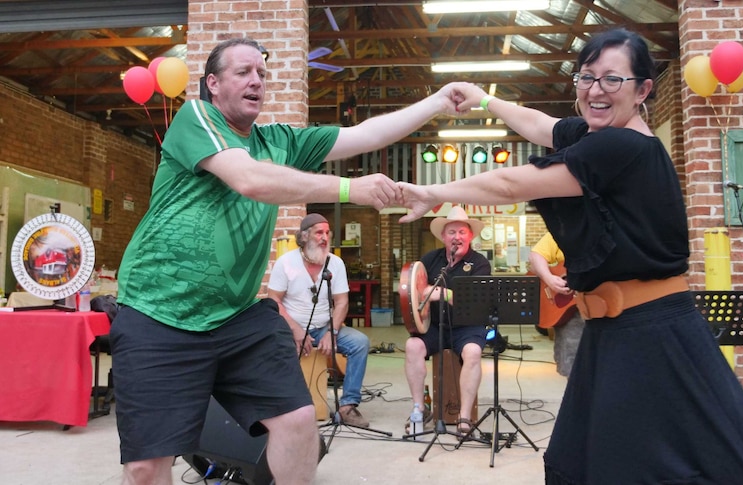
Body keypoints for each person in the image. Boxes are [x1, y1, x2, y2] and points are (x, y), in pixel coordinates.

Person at [398, 28, 743, 485]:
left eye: (611, 79)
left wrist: (430, 191)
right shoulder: (600, 134)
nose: (596, 90)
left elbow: (510, 185)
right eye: (586, 77)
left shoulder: (621, 146)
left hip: (652, 332)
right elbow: (543, 126)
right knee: (587, 460)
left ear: (643, 90)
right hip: (614, 329)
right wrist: (486, 101)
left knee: (657, 465)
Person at [110, 37, 466, 485]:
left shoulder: (281, 141)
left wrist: (435, 101)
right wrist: (348, 190)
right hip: (158, 314)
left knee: (299, 423)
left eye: (261, 72)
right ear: (213, 84)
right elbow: (250, 179)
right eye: (243, 72)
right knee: (146, 468)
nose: (256, 79)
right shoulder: (195, 117)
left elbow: (366, 135)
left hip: (235, 317)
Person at [267, 213, 371, 427]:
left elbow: (342, 302)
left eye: (327, 233)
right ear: (304, 237)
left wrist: (331, 332)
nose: (324, 238)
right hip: (291, 327)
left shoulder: (336, 263)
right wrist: (295, 330)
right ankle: (285, 407)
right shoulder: (286, 263)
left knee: (360, 343)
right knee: (272, 348)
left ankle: (347, 406)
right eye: (318, 233)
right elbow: (274, 301)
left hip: (324, 327)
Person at [404, 206, 491, 436]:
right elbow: (416, 293)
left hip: (468, 326)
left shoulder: (480, 263)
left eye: (462, 232)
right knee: (412, 346)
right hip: (435, 325)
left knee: (472, 352)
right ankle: (419, 409)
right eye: (452, 232)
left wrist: (445, 294)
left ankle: (464, 417)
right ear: (443, 237)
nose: (457, 237)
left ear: (470, 235)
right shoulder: (430, 260)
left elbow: (477, 301)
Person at [528, 232, 585, 378]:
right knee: (571, 365)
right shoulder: (564, 230)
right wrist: (549, 278)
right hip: (572, 314)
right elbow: (535, 256)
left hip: (605, 307)